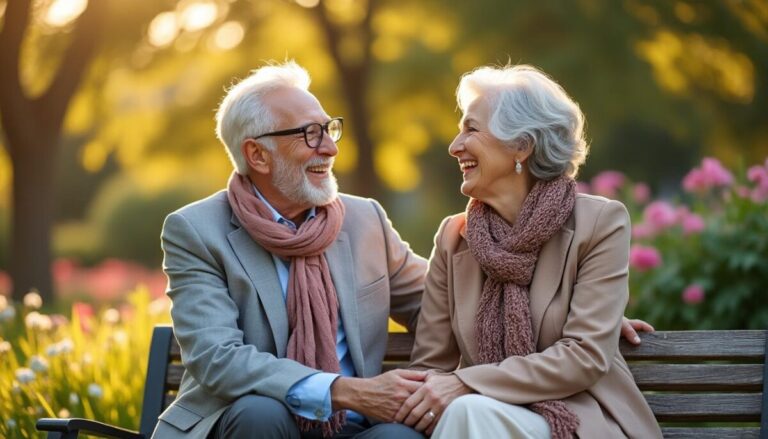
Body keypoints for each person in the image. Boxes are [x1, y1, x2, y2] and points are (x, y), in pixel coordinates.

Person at [155, 61, 652, 439]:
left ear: (521, 147)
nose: (330, 147)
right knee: (261, 414)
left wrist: (585, 314)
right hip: (257, 419)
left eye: (329, 129)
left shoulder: (363, 221)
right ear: (257, 154)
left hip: (363, 427)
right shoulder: (196, 231)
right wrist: (342, 391)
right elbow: (218, 359)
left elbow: (436, 303)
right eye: (310, 134)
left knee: (399, 437)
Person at [398, 65, 662, 439]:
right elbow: (430, 368)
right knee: (470, 413)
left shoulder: (600, 223)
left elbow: (584, 355)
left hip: (581, 421)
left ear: (521, 146)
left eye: (471, 129)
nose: (455, 146)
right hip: (481, 421)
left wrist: (470, 384)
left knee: (471, 411)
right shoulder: (453, 238)